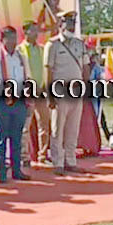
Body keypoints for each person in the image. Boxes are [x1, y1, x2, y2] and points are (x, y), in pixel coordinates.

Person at [0, 26, 31, 183]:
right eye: (9, 38)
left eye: (14, 38)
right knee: (2, 137)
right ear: (2, 39)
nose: (12, 41)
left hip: (19, 101)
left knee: (17, 138)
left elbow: (26, 79)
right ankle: (2, 172)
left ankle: (16, 170)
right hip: (2, 101)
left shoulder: (20, 56)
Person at [44, 11, 89, 176]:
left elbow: (85, 67)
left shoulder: (79, 44)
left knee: (73, 128)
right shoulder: (53, 44)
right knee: (58, 128)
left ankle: (71, 160)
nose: (71, 25)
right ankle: (57, 162)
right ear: (60, 24)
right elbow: (48, 70)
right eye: (68, 22)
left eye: (73, 23)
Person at [19, 23, 50, 165]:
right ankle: (24, 156)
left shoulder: (42, 49)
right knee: (25, 126)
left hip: (42, 90)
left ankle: (42, 155)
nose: (36, 34)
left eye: (37, 31)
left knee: (45, 123)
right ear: (25, 32)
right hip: (27, 91)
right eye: (33, 31)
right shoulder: (20, 50)